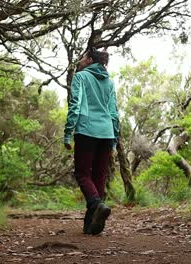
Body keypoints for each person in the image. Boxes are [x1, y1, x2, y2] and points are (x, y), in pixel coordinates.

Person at [63, 47, 119, 235]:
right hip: (107, 132)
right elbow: (113, 112)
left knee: (82, 174)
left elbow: (75, 105)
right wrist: (115, 138)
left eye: (82, 57)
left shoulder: (81, 77)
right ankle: (90, 225)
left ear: (89, 60)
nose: (80, 61)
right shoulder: (109, 82)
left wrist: (68, 131)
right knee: (99, 177)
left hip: (87, 130)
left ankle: (96, 204)